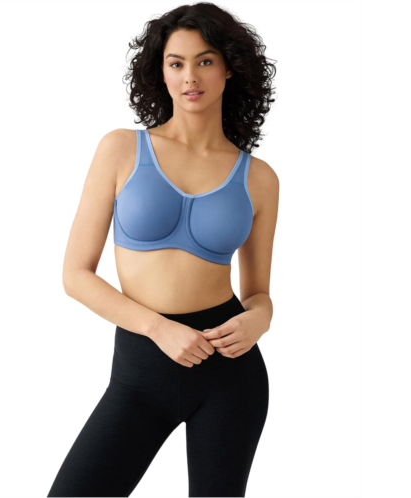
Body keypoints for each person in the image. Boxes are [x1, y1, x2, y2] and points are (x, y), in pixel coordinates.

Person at [47, 2, 279, 497]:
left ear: (230, 68)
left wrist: (260, 318)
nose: (190, 76)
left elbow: (258, 292)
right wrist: (158, 328)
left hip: (229, 374)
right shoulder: (120, 149)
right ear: (162, 71)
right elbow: (75, 275)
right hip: (141, 371)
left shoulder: (259, 178)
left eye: (205, 60)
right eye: (176, 63)